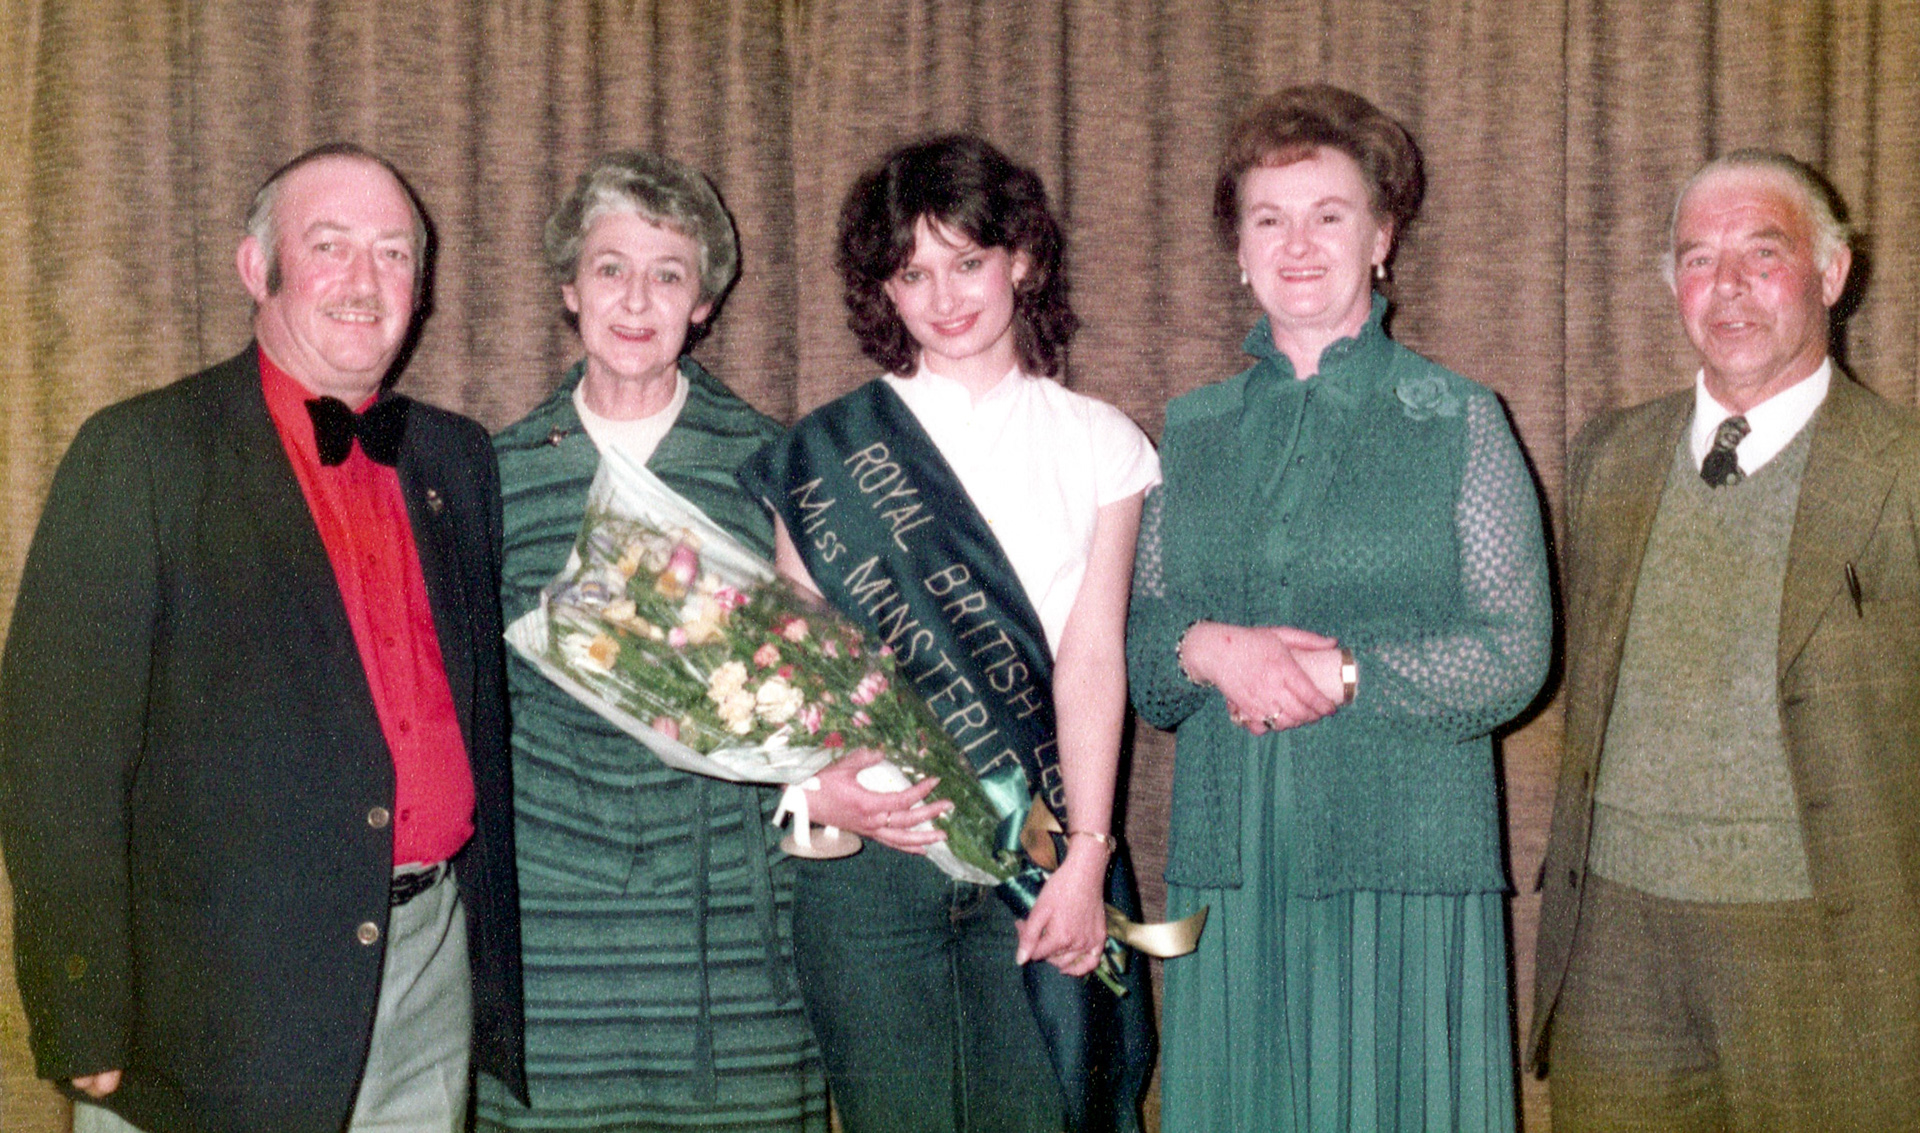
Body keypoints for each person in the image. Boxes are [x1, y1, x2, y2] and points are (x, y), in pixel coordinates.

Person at [0, 143, 524, 1133]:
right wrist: (82, 1009)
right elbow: (55, 760)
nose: (366, 281)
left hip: (426, 974)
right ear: (257, 267)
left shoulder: (457, 456)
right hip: (215, 1007)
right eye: (330, 245)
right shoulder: (139, 453)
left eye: (395, 252)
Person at [1126, 84, 1552, 1133]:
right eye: (1268, 218)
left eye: (1330, 214)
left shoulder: (1459, 416)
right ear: (1237, 249)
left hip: (1401, 862)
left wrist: (1344, 671)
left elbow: (1514, 653)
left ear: (1383, 236)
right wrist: (1206, 644)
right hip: (1231, 866)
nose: (1298, 243)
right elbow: (1139, 658)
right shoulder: (1190, 429)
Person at [739, 135, 1161, 1133]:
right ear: (882, 290)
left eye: (967, 260)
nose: (945, 295)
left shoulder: (1103, 441)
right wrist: (813, 784)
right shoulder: (825, 452)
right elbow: (801, 664)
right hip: (868, 863)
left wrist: (1088, 856)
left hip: (1042, 849)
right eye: (912, 271)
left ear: (1021, 256)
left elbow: (1094, 657)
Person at [1529, 151, 1920, 1131]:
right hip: (1616, 943)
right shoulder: (1607, 456)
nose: (1730, 286)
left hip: (1821, 941)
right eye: (1699, 259)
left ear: (1832, 274)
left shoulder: (1904, 471)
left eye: (1763, 251)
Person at [472, 150, 827, 1133]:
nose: (637, 298)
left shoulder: (772, 463)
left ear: (704, 301)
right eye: (610, 267)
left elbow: (815, 696)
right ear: (569, 288)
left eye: (668, 272)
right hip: (556, 933)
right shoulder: (495, 475)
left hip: (729, 939)